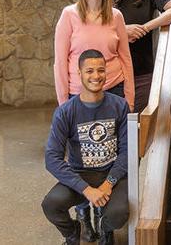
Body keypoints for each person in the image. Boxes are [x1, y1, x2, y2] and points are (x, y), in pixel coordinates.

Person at [42, 49, 129, 245]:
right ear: (79, 73)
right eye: (89, 71)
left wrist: (108, 184)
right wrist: (86, 189)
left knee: (118, 214)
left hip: (110, 172)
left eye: (101, 70)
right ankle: (73, 233)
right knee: (51, 205)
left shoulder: (120, 106)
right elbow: (52, 159)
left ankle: (106, 231)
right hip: (81, 173)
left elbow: (127, 152)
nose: (96, 76)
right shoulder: (65, 112)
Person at [54, 0, 134, 112]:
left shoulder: (116, 16)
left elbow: (126, 59)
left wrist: (129, 99)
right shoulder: (69, 15)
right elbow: (60, 63)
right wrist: (63, 103)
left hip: (113, 89)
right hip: (78, 93)